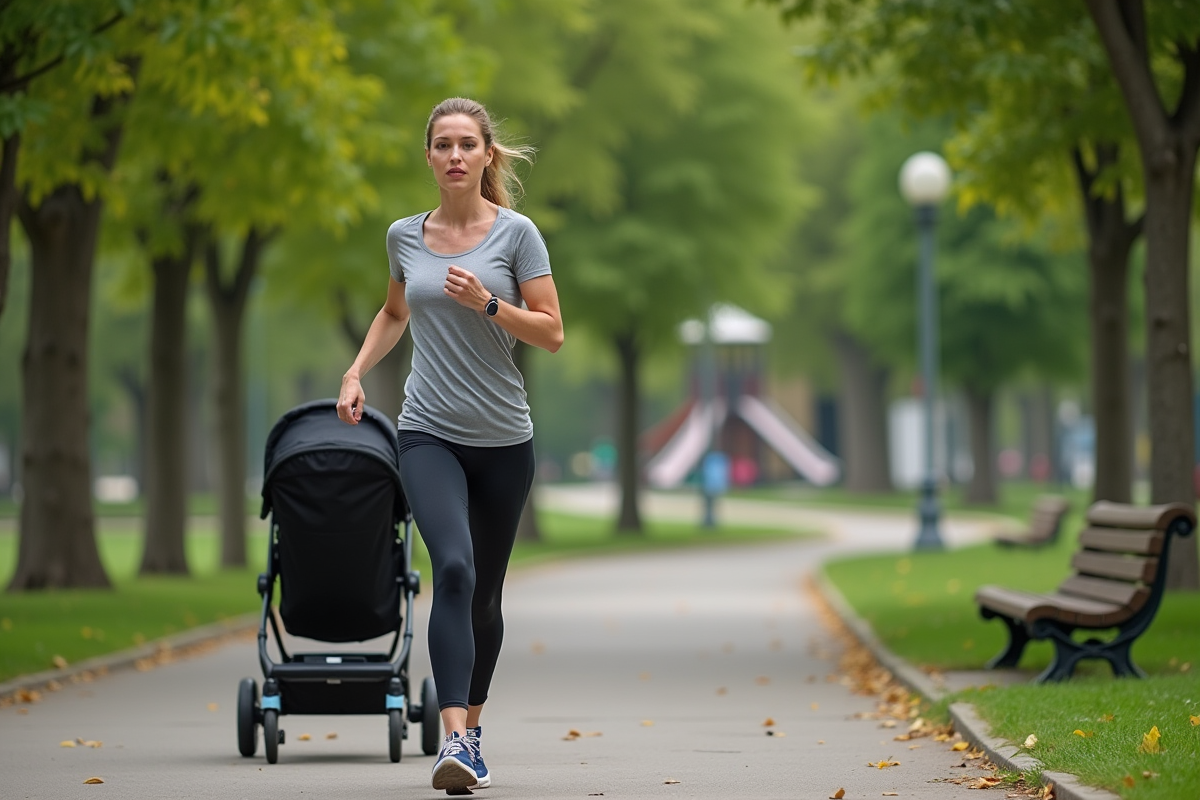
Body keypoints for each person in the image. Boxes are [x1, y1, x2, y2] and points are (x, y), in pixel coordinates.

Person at [336, 97, 563, 792]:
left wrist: (488, 305)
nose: (456, 155)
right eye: (443, 144)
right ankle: (455, 742)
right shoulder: (404, 236)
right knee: (454, 570)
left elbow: (551, 331)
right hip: (427, 431)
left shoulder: (517, 235)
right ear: (429, 157)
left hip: (503, 439)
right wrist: (353, 371)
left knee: (486, 594)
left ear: (488, 155)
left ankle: (475, 727)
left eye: (468, 143)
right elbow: (395, 311)